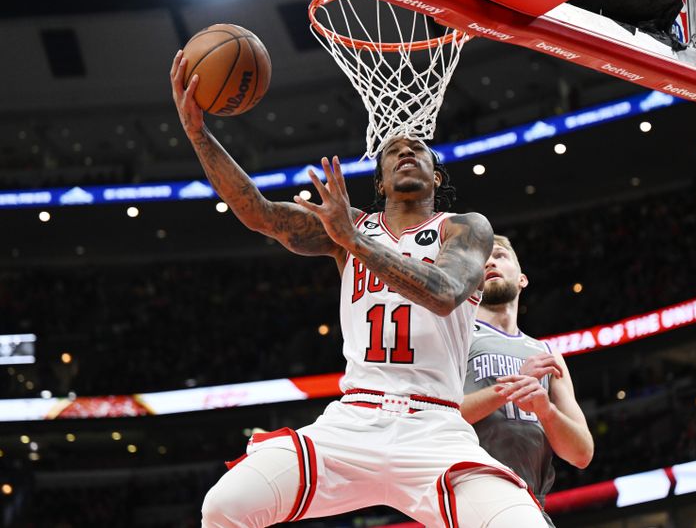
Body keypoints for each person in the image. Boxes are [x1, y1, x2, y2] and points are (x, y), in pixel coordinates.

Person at [170, 51, 548, 528]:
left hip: (435, 429)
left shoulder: (465, 228)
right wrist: (199, 136)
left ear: (436, 175)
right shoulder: (348, 226)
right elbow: (260, 213)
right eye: (393, 152)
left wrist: (354, 243)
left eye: (418, 150)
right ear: (382, 181)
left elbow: (446, 291)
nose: (406, 152)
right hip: (351, 423)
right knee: (225, 506)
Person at [461, 236, 594, 527]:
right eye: (481, 260)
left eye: (500, 255)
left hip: (530, 501)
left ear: (522, 279)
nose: (490, 261)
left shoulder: (547, 355)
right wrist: (512, 386)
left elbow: (581, 453)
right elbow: (438, 416)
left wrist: (546, 411)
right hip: (470, 495)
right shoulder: (456, 338)